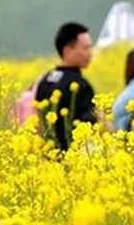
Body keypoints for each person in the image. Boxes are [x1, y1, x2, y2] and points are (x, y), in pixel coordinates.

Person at [35, 22, 98, 151]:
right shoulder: (81, 86)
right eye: (86, 48)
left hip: (47, 157)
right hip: (73, 157)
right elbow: (90, 128)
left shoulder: (45, 80)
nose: (90, 53)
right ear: (68, 51)